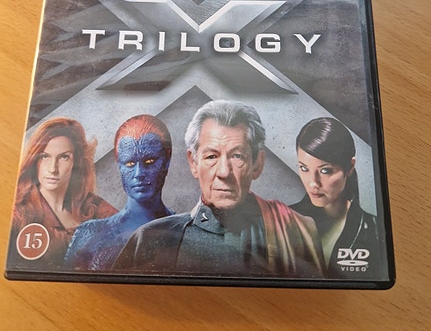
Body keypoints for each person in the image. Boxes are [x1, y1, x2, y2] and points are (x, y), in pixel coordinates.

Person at [114, 100, 324, 278]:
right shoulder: (150, 239)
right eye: (211, 156)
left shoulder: (296, 231)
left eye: (237, 156)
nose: (224, 172)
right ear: (193, 163)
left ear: (257, 164)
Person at [65, 114, 173, 271]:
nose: (139, 173)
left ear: (166, 160)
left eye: (149, 161)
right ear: (119, 164)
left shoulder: (186, 232)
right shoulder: (89, 234)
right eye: (129, 163)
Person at [9, 117, 117, 270]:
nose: (53, 169)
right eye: (45, 156)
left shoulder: (92, 206)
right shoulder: (17, 214)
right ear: (35, 160)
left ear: (76, 162)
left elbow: (129, 232)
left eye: (64, 157)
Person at [291, 117, 380, 278]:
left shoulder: (375, 231)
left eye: (325, 170)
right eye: (304, 168)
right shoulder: (280, 220)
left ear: (350, 167)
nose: (313, 183)